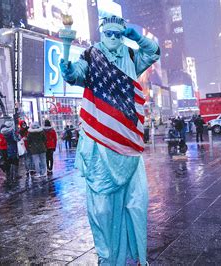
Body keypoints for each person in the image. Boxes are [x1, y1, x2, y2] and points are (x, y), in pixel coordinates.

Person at [60, 15, 160, 265]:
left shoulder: (130, 55)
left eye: (118, 33)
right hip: (100, 144)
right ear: (101, 33)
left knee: (137, 204)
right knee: (102, 210)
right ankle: (107, 258)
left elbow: (154, 52)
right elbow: (75, 74)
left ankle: (136, 256)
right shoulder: (91, 55)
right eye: (109, 34)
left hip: (127, 142)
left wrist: (134, 35)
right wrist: (68, 68)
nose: (114, 38)